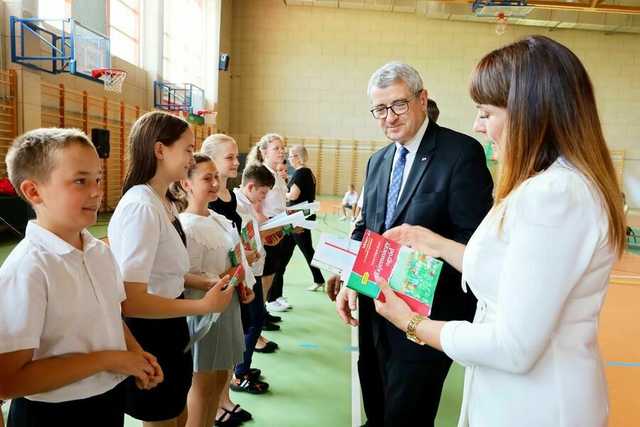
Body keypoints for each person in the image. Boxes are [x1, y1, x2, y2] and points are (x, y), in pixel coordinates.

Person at [371, 36, 626, 427]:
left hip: (537, 405)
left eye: (486, 113)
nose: (477, 125)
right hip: (516, 398)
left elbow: (514, 346)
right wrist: (434, 243)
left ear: (530, 113)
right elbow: (507, 270)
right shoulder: (549, 184)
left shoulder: (554, 195)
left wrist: (412, 323)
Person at [331, 62, 494, 427]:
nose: (389, 117)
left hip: (426, 317)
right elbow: (365, 229)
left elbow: (474, 241)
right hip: (375, 311)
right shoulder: (378, 161)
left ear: (422, 99)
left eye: (398, 105)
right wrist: (350, 279)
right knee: (377, 410)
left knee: (407, 419)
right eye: (380, 109)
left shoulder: (460, 153)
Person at [0, 128, 162, 426]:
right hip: (53, 415)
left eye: (97, 179)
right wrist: (110, 359)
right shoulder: (27, 269)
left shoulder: (100, 252)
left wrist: (136, 355)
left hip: (107, 400)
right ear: (34, 191)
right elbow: (9, 380)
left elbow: (111, 315)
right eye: (80, 181)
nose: (97, 191)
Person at [108, 112, 234, 427]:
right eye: (188, 149)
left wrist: (205, 283)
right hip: (150, 332)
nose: (192, 158)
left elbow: (163, 273)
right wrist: (203, 305)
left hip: (169, 326)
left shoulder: (161, 201)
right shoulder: (141, 206)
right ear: (160, 149)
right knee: (162, 418)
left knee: (178, 414)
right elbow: (131, 299)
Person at [173, 153, 257, 427]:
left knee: (221, 376)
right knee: (202, 383)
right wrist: (216, 281)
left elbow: (236, 259)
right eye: (206, 178)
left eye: (216, 177)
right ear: (186, 184)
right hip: (202, 310)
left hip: (228, 305)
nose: (214, 183)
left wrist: (244, 284)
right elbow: (178, 276)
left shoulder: (221, 219)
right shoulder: (183, 225)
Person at [200, 134, 269, 420]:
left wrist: (245, 255)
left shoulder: (229, 195)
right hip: (218, 281)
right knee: (214, 352)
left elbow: (234, 237)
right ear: (211, 160)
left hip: (237, 276)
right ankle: (214, 407)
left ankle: (224, 398)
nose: (236, 162)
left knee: (231, 343)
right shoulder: (209, 198)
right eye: (228, 157)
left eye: (235, 156)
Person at [233, 165, 280, 362]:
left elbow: (251, 234)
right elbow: (237, 240)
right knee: (253, 321)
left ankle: (242, 368)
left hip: (253, 270)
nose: (264, 197)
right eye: (263, 193)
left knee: (256, 319)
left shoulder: (247, 204)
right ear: (250, 186)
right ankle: (241, 370)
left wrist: (265, 239)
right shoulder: (237, 206)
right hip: (246, 271)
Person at [247, 133, 293, 314]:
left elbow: (279, 204)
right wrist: (271, 227)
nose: (281, 151)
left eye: (282, 148)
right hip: (268, 230)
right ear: (264, 151)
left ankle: (264, 312)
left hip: (279, 228)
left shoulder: (277, 174)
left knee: (272, 273)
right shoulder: (262, 174)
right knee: (265, 276)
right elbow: (256, 207)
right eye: (276, 148)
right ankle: (260, 317)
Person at [286, 144, 325, 291]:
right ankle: (278, 275)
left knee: (307, 249)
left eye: (290, 156)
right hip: (300, 217)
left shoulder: (301, 173)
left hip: (299, 218)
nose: (289, 159)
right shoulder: (307, 172)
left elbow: (293, 195)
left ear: (297, 156)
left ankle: (319, 279)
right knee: (286, 249)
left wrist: (282, 193)